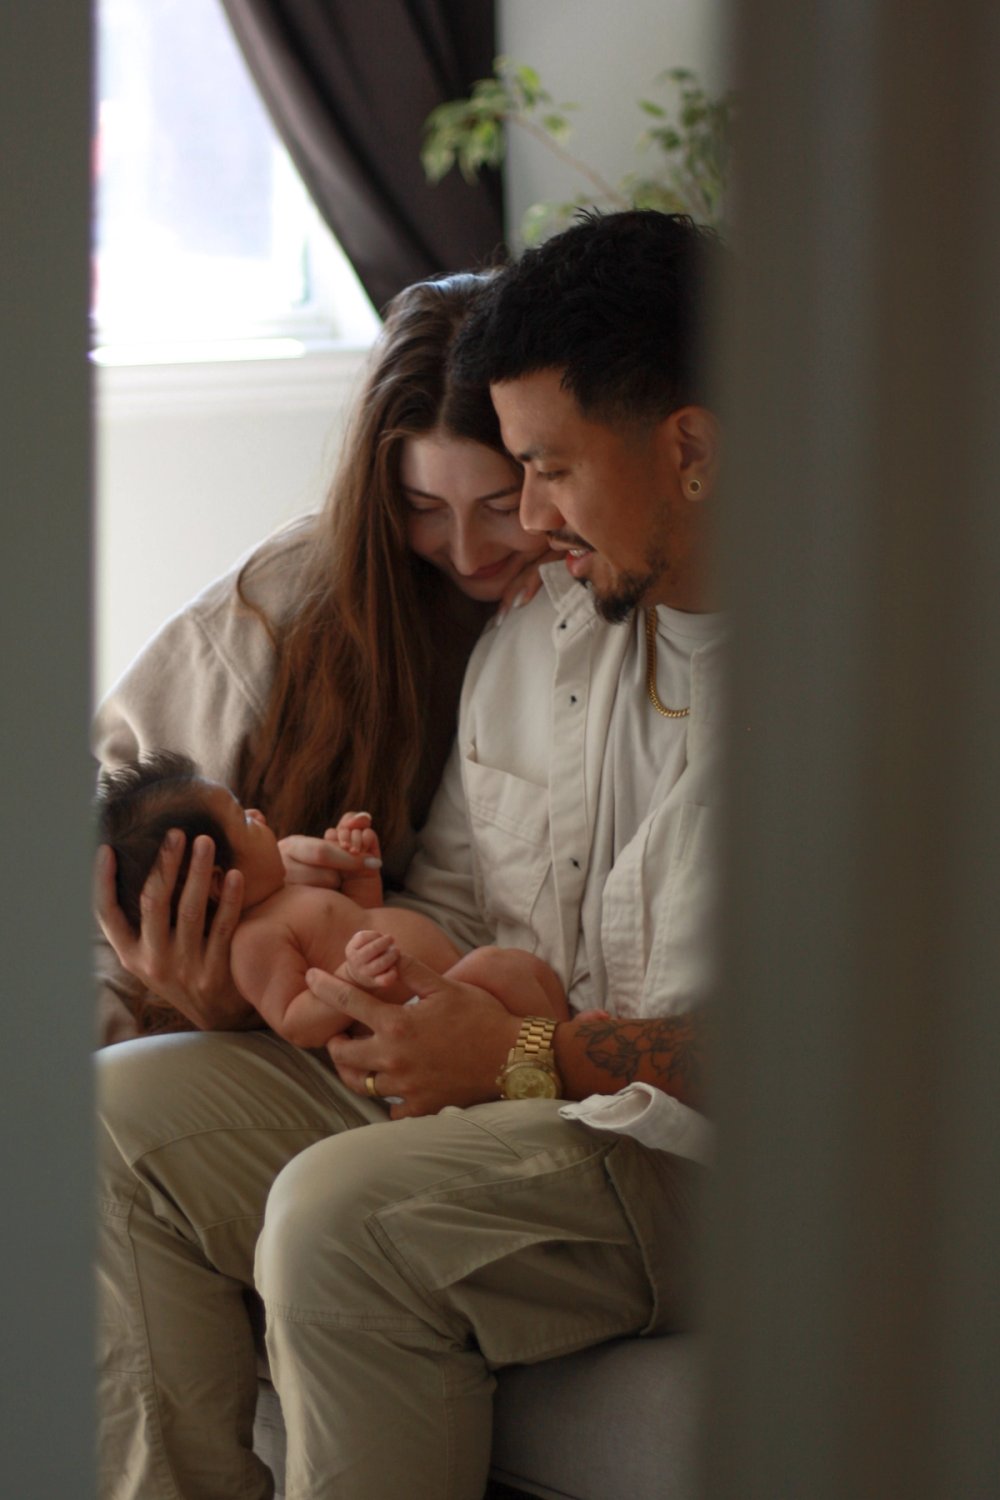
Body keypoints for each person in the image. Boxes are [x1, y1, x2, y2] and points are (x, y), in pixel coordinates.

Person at [96, 210, 725, 1500]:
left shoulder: (882, 670)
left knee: (341, 1218)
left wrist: (527, 1053)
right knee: (109, 1119)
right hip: (513, 1091)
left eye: (542, 471)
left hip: (689, 1152)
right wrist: (344, 989)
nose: (523, 527)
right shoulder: (542, 634)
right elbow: (450, 898)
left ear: (691, 451)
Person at [92, 271, 552, 1044]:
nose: (469, 553)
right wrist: (180, 992)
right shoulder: (279, 606)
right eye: (423, 508)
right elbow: (118, 822)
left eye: (503, 508)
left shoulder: (588, 601)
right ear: (379, 494)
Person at [97, 752, 570, 1048]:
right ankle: (561, 1049)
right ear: (217, 880)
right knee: (498, 967)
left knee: (517, 968)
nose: (259, 814)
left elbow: (366, 921)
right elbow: (295, 1020)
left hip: (443, 990)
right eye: (243, 819)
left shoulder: (285, 895)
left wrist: (361, 870)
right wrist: (351, 979)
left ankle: (562, 1033)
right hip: (409, 1027)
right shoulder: (254, 942)